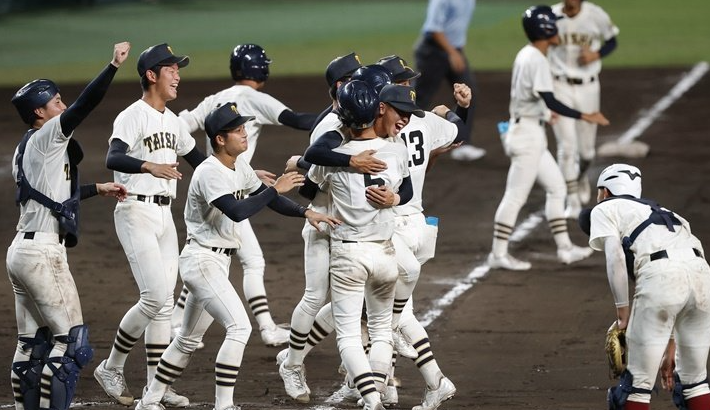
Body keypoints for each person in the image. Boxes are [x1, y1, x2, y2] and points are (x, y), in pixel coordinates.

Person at [134, 103, 339, 410]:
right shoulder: (209, 172)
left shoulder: (238, 165)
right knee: (240, 327)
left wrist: (305, 211)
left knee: (187, 340)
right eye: (238, 129)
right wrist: (275, 189)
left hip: (215, 261)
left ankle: (148, 401)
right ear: (220, 139)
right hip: (202, 261)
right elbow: (238, 210)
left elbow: (268, 201)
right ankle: (224, 405)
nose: (245, 134)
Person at [7, 42, 130, 410]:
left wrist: (97, 188)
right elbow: (84, 106)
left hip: (20, 253)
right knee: (71, 343)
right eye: (56, 101)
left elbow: (47, 194)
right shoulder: (48, 135)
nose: (63, 104)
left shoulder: (25, 146)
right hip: (44, 255)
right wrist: (112, 66)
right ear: (39, 112)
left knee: (32, 345)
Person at [175, 43, 319, 347]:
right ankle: (265, 328)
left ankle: (180, 322)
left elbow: (178, 127)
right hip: (230, 196)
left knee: (206, 255)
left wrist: (218, 168)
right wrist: (340, 112)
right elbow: (298, 121)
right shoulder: (252, 98)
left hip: (229, 186)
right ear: (260, 69)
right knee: (249, 260)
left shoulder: (216, 99)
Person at [94, 43, 206, 407]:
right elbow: (114, 155)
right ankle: (111, 366)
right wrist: (147, 166)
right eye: (171, 68)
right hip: (134, 211)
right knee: (154, 297)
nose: (178, 75)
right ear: (151, 75)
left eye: (178, 68)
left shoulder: (173, 122)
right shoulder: (133, 115)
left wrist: (246, 178)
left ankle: (156, 387)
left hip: (163, 216)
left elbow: (201, 163)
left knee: (164, 301)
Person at [296, 81, 414, 410]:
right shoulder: (396, 148)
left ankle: (372, 397)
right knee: (379, 330)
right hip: (386, 253)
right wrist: (393, 197)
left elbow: (308, 184)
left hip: (349, 254)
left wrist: (332, 168)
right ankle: (381, 387)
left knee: (348, 335)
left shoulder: (333, 157)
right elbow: (407, 188)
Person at [487, 5, 609, 271]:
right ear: (546, 29)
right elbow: (551, 99)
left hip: (530, 132)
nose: (558, 27)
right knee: (515, 196)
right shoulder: (538, 59)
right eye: (554, 23)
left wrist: (544, 113)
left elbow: (531, 97)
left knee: (557, 188)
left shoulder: (527, 54)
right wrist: (584, 115)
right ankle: (497, 253)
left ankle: (565, 249)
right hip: (527, 137)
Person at [587, 164, 710, 410]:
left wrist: (623, 316)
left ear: (605, 191)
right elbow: (687, 273)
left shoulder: (606, 208)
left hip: (660, 279)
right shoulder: (670, 214)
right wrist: (671, 346)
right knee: (695, 382)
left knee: (635, 387)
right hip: (703, 280)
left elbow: (616, 259)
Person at [549, 0, 619, 218]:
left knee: (587, 153)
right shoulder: (551, 15)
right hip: (559, 86)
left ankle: (579, 178)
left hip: (588, 87)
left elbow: (611, 40)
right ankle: (572, 202)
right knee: (566, 147)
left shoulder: (595, 14)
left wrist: (596, 55)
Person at [413, 0, 486, 161]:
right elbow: (433, 29)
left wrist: (456, 51)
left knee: (467, 93)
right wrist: (452, 53)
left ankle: (462, 144)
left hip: (454, 50)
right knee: (418, 99)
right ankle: (402, 138)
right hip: (433, 52)